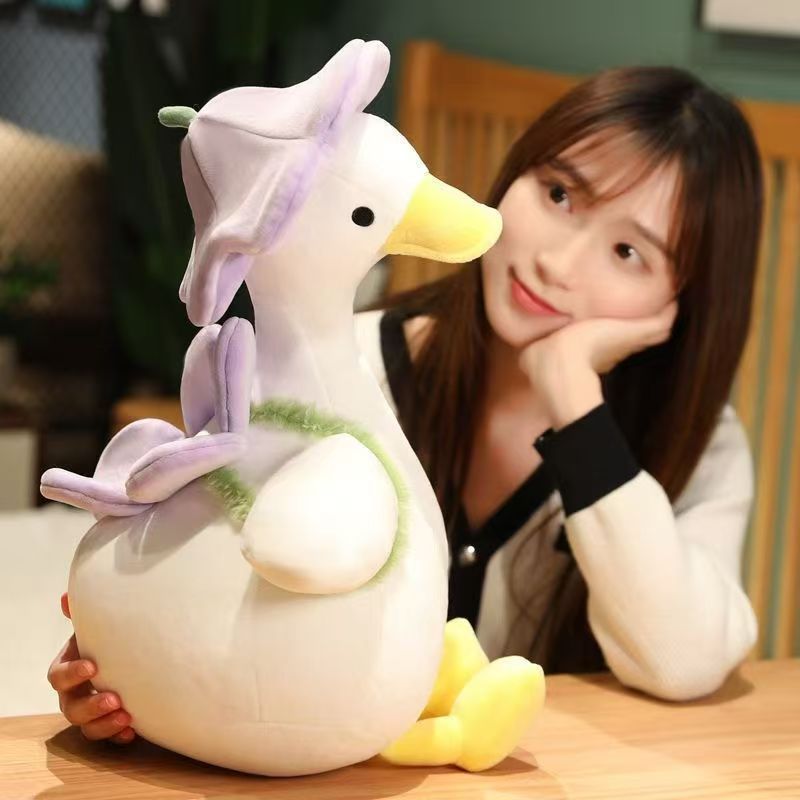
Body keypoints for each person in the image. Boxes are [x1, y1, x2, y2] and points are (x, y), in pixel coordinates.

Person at [48, 65, 762, 744]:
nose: (558, 263)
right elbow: (200, 587)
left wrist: (577, 407)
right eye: (559, 195)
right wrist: (127, 670)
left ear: (683, 300)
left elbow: (684, 661)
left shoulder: (698, 444)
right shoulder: (338, 373)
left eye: (629, 253)